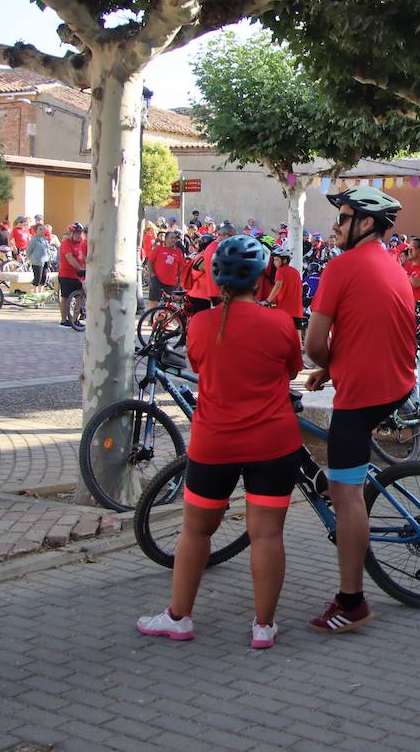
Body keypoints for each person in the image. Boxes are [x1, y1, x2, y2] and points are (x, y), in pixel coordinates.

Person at [136, 235, 304, 649]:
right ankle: (263, 626)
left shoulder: (201, 324)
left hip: (215, 445)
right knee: (267, 535)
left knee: (196, 531)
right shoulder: (280, 322)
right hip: (273, 442)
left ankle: (179, 616)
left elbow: (199, 364)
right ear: (262, 279)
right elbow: (293, 368)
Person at [305, 188, 415, 634]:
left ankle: (352, 603)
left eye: (344, 217)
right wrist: (333, 371)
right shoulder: (392, 265)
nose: (336, 225)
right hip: (395, 383)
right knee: (346, 468)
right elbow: (366, 331)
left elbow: (313, 345)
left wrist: (325, 364)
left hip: (365, 394)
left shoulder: (341, 266)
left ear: (365, 223)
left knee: (343, 493)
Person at [263, 245, 304, 327]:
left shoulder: (280, 270)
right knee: (297, 337)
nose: (274, 262)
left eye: (277, 260)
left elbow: (277, 286)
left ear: (284, 260)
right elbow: (301, 289)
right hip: (298, 311)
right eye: (274, 260)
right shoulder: (295, 271)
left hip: (285, 311)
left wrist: (267, 301)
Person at [56, 223, 87, 327]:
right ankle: (64, 320)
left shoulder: (82, 243)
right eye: (77, 233)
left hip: (79, 275)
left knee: (80, 297)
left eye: (80, 233)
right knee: (65, 297)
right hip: (66, 274)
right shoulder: (66, 243)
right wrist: (80, 268)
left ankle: (75, 319)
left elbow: (84, 256)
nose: (79, 235)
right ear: (71, 233)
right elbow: (70, 258)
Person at [146, 230, 185, 309]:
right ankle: (152, 318)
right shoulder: (158, 249)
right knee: (154, 300)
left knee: (168, 303)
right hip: (157, 280)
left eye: (175, 238)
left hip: (171, 282)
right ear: (166, 239)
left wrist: (179, 281)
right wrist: (153, 275)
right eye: (171, 238)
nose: (174, 240)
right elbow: (149, 262)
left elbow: (181, 267)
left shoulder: (178, 251)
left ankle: (162, 320)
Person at [25, 224, 50, 291]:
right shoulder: (34, 239)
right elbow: (28, 250)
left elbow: (47, 249)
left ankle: (40, 292)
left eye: (43, 229)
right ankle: (35, 292)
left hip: (46, 260)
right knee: (37, 278)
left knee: (44, 277)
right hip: (37, 261)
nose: (42, 231)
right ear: (36, 231)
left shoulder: (44, 239)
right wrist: (30, 258)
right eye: (40, 229)